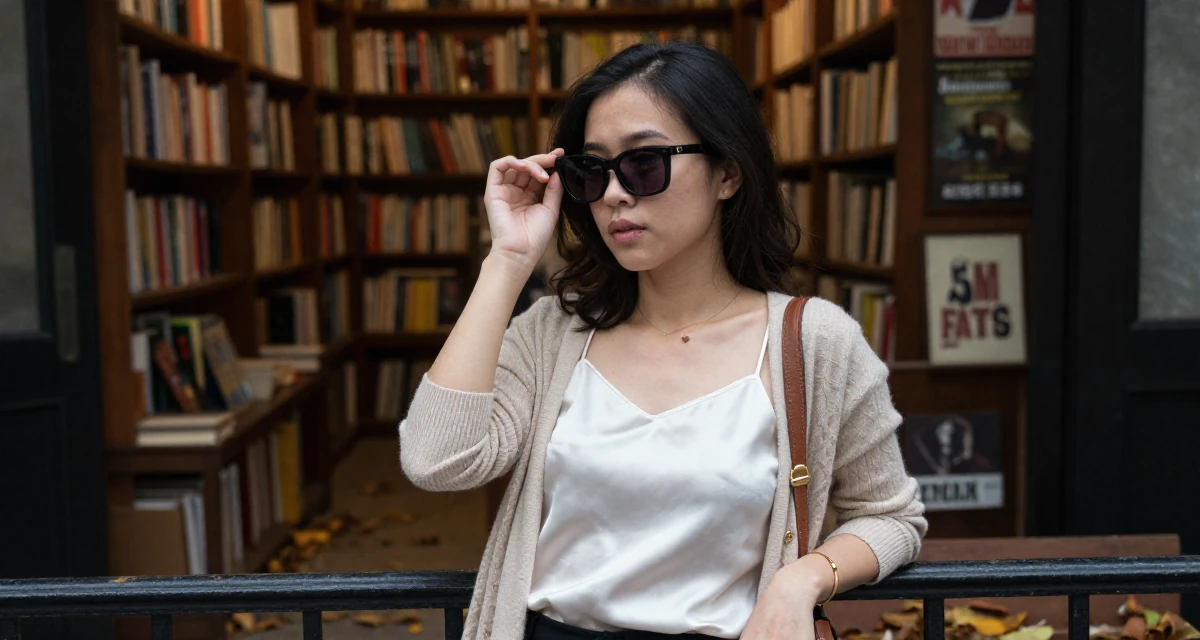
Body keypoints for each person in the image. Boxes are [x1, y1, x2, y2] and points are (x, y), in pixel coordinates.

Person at [399, 41, 927, 640]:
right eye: (592, 170)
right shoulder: (553, 334)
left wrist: (801, 580)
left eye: (644, 163)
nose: (614, 194)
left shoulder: (814, 344)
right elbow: (436, 460)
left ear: (727, 173)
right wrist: (509, 260)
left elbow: (890, 517)